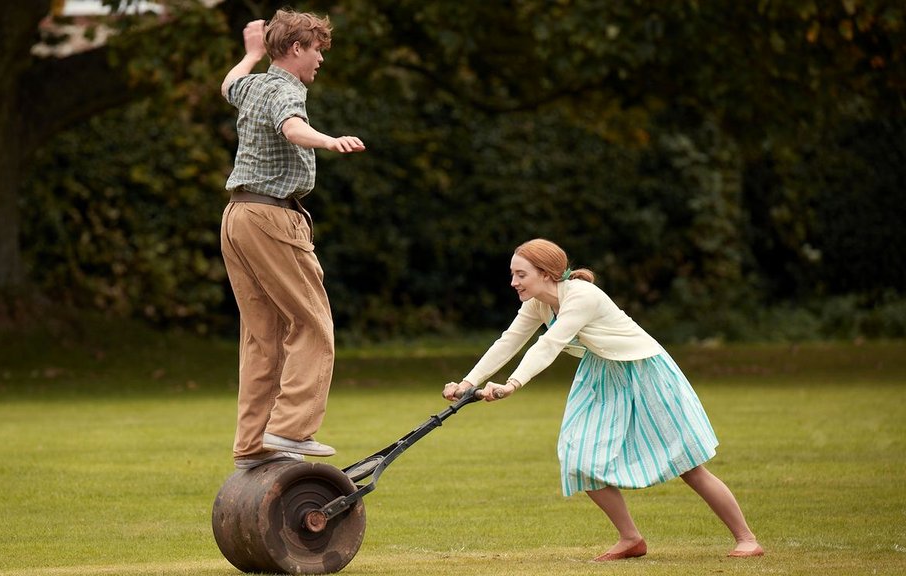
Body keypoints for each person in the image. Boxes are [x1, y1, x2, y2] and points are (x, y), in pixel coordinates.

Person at [443, 239, 763, 561]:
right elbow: (508, 341)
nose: (514, 282)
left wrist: (512, 384)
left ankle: (746, 539)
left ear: (546, 273)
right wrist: (467, 382)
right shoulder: (538, 303)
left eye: (521, 274)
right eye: (513, 274)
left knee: (687, 465)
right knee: (579, 458)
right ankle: (631, 539)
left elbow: (549, 344)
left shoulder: (581, 296)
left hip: (643, 370)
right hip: (602, 373)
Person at [219, 9, 365, 470]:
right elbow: (292, 127)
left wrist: (250, 54)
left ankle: (252, 446)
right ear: (297, 48)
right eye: (317, 48)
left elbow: (227, 85)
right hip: (272, 217)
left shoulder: (255, 83)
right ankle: (290, 429)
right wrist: (327, 140)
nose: (321, 57)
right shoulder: (283, 88)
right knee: (313, 325)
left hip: (238, 215)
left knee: (263, 337)